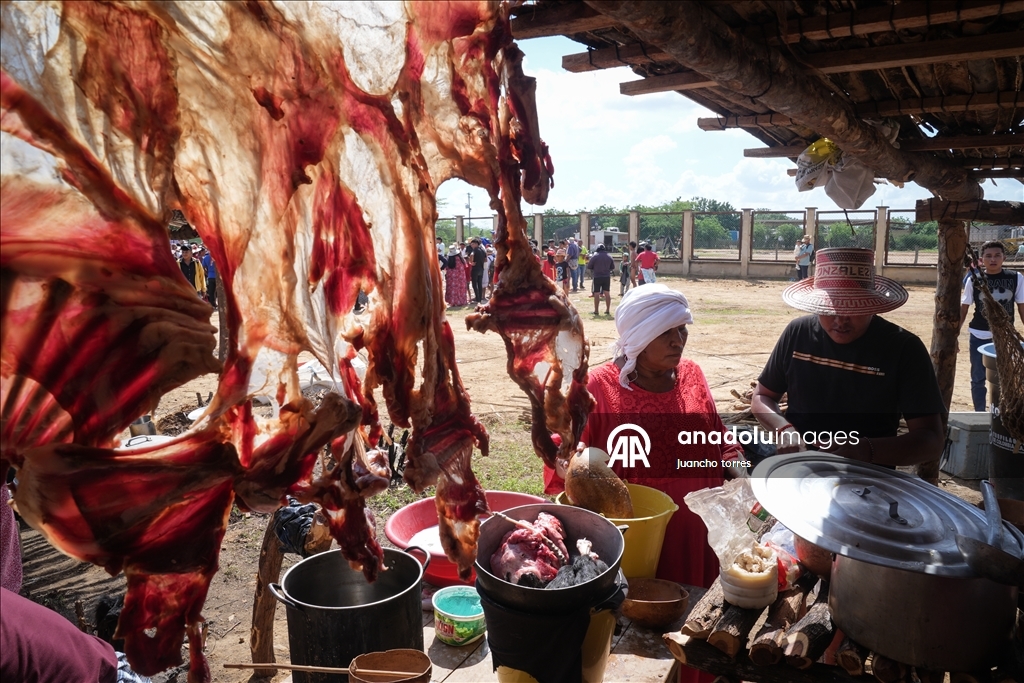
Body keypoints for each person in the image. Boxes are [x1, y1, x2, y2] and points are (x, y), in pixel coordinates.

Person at [544, 285, 741, 657]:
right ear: (638, 336)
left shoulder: (693, 375)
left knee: (697, 626)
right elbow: (565, 456)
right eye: (665, 332)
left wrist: (745, 476)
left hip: (699, 534)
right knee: (644, 634)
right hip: (641, 541)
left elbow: (722, 440)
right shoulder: (597, 388)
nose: (678, 340)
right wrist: (571, 460)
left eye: (682, 329)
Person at [751, 248, 945, 466]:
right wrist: (783, 428)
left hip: (868, 476)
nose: (840, 320)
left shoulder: (903, 348)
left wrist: (866, 450)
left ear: (873, 306)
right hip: (799, 464)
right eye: (830, 309)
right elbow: (762, 396)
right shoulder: (798, 333)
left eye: (852, 309)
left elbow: (931, 440)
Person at [958, 240, 1024, 411]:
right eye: (988, 256)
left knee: (1004, 376)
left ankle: (1000, 412)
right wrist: (954, 336)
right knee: (978, 376)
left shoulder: (1015, 278)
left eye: (997, 255)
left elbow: (1022, 308)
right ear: (981, 259)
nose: (993, 259)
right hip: (979, 336)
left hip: (1004, 336)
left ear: (1004, 257)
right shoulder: (974, 278)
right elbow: (964, 308)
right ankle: (980, 412)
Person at [587, 244, 615, 315]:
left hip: (597, 276)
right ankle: (607, 310)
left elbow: (589, 266)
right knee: (607, 293)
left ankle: (596, 311)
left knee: (596, 293)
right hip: (606, 277)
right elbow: (612, 267)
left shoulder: (595, 256)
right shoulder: (609, 256)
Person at [469, 237, 487, 303]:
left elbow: (471, 255)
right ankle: (480, 298)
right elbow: (486, 259)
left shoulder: (475, 250)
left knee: (474, 284)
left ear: (476, 244)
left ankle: (477, 298)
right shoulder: (483, 250)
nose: (471, 245)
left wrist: (471, 262)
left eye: (472, 244)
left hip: (475, 268)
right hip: (481, 268)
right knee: (479, 284)